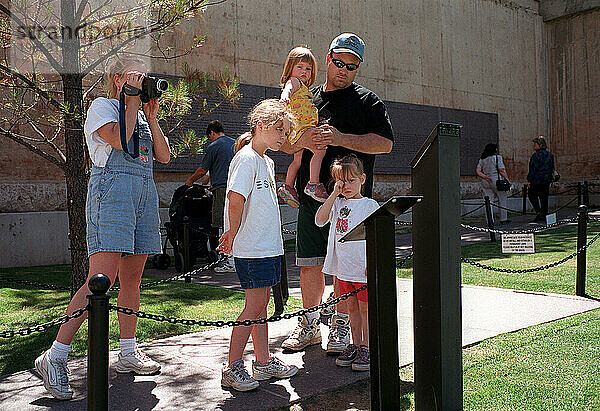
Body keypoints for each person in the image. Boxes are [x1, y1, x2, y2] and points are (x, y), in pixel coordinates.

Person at [35, 57, 169, 400]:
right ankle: (55, 356)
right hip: (112, 192)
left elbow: (164, 157)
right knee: (101, 280)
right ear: (117, 78)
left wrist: (151, 119)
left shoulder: (139, 114)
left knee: (133, 279)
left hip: (143, 192)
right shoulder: (102, 106)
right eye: (133, 74)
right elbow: (121, 142)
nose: (140, 79)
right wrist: (128, 100)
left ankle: (127, 352)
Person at [280, 33, 393, 355]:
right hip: (312, 198)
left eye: (352, 66)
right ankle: (310, 325)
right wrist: (304, 142)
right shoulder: (306, 97)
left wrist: (342, 138)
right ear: (327, 59)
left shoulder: (368, 102)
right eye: (339, 62)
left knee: (350, 269)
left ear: (358, 69)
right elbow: (284, 143)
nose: (344, 70)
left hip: (354, 206)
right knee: (310, 264)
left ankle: (341, 329)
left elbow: (385, 144)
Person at [218, 99, 299, 391]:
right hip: (252, 249)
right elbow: (235, 198)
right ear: (260, 126)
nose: (283, 137)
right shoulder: (246, 158)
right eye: (280, 129)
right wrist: (232, 232)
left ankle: (263, 363)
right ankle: (232, 367)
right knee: (253, 307)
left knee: (261, 306)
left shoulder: (266, 161)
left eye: (286, 132)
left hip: (268, 247)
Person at [315, 155, 379, 371]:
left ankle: (367, 347)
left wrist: (374, 263)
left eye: (352, 180)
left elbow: (377, 238)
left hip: (362, 270)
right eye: (342, 182)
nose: (347, 186)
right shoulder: (337, 203)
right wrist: (334, 194)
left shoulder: (369, 205)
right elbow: (319, 219)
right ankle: (355, 343)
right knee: (351, 309)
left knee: (365, 310)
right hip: (344, 271)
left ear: (363, 179)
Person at [277, 46, 327, 206]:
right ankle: (313, 183)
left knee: (297, 161)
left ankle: (288, 187)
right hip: (302, 127)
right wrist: (285, 97)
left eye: (308, 69)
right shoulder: (295, 81)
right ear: (290, 67)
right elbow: (288, 89)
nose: (304, 71)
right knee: (320, 150)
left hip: (297, 130)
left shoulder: (305, 88)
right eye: (300, 67)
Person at [185, 120, 236, 272]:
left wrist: (190, 181)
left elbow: (202, 170)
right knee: (235, 221)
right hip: (236, 187)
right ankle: (236, 258)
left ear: (212, 133)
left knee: (220, 222)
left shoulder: (214, 146)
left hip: (221, 189)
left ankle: (228, 260)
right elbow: (212, 172)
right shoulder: (235, 144)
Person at [476, 143, 512, 224]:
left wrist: (485, 177)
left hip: (486, 181)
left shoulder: (482, 159)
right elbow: (501, 170)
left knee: (488, 201)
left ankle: (490, 220)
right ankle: (503, 219)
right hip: (496, 180)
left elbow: (478, 171)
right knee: (502, 199)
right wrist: (508, 180)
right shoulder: (497, 158)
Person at [527, 136, 555, 223]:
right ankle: (544, 213)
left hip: (537, 179)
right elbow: (552, 167)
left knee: (532, 195)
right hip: (546, 179)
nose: (534, 146)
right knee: (544, 197)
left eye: (535, 144)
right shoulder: (550, 155)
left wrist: (529, 180)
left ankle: (539, 212)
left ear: (540, 145)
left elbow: (533, 168)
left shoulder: (536, 156)